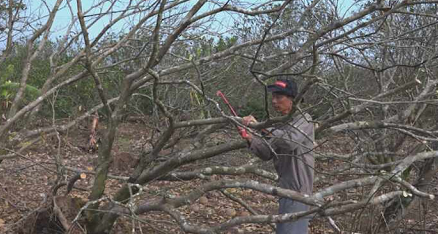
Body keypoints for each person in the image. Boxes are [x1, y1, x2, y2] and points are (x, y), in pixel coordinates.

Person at [242, 78, 314, 234]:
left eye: (279, 97)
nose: (274, 101)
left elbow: (290, 142)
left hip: (298, 191)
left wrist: (263, 128)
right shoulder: (280, 124)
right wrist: (250, 138)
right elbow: (267, 153)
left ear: (293, 100)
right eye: (273, 97)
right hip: (285, 187)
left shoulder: (304, 119)